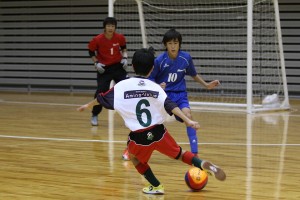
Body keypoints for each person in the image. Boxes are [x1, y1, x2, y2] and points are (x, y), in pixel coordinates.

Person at [77, 47, 226, 195]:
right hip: (159, 132)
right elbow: (170, 105)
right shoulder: (155, 87)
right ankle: (201, 164)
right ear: (152, 68)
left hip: (139, 136)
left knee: (134, 157)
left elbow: (101, 98)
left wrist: (88, 105)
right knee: (180, 153)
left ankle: (156, 186)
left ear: (133, 66)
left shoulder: (122, 86)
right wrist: (187, 120)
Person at [148, 28, 221, 156]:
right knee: (149, 122)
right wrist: (158, 86)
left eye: (175, 43)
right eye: (170, 43)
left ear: (179, 44)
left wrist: (206, 85)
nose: (173, 46)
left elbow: (193, 74)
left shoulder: (186, 58)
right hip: (163, 96)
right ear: (165, 45)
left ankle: (195, 153)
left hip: (180, 95)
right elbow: (150, 78)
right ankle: (130, 149)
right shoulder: (159, 61)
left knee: (188, 115)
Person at [88, 17, 128, 127]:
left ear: (115, 27)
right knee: (100, 92)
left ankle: (128, 116)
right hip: (104, 69)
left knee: (126, 90)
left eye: (113, 26)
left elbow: (124, 48)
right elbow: (91, 52)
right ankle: (95, 115)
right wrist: (96, 63)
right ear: (104, 27)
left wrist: (125, 58)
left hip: (117, 67)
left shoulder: (120, 37)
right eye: (108, 26)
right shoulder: (97, 39)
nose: (110, 28)